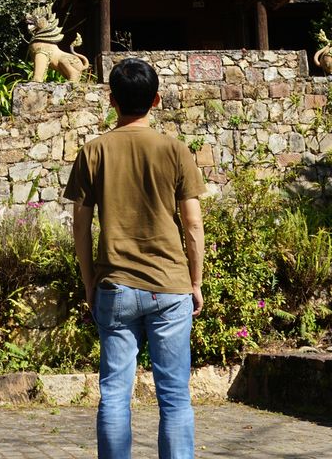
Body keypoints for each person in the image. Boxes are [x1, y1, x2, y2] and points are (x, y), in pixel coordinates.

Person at [64, 57, 205, 459]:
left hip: (115, 287)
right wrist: (194, 283)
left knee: (113, 394)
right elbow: (193, 226)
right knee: (175, 397)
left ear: (112, 100)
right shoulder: (175, 151)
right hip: (171, 287)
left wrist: (90, 283)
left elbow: (80, 227)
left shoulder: (93, 152)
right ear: (156, 100)